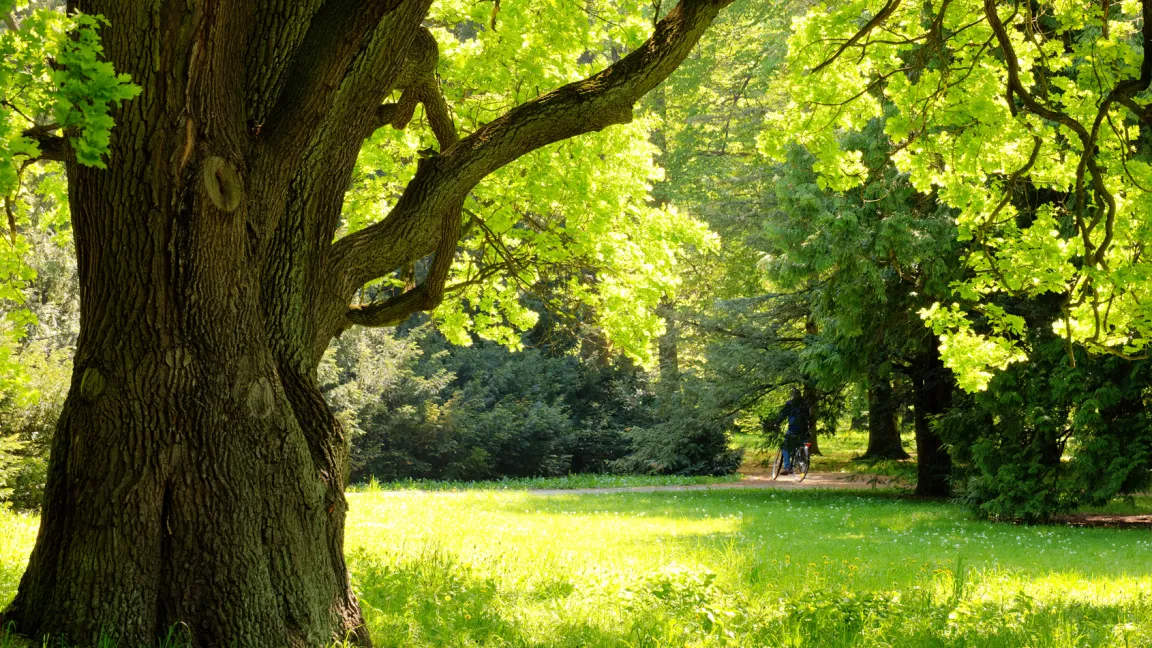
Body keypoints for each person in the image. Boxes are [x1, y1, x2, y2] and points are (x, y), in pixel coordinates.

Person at [764, 387, 809, 475]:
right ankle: (802, 458)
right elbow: (808, 417)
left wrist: (777, 423)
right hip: (804, 430)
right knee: (803, 442)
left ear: (792, 396)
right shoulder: (805, 404)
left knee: (785, 446)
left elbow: (783, 415)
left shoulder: (790, 404)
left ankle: (787, 467)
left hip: (793, 429)